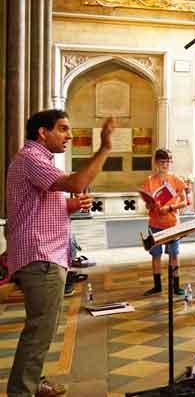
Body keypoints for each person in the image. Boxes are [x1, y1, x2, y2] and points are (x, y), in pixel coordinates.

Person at [5, 112, 115, 397]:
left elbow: (36, 208)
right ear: (43, 132)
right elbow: (76, 183)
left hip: (42, 253)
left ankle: (33, 381)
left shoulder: (37, 160)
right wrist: (103, 148)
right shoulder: (32, 158)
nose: (68, 135)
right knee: (40, 329)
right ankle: (22, 391)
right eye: (63, 129)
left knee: (43, 327)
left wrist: (70, 207)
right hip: (40, 255)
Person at [141, 149, 189, 296]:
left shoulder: (176, 180)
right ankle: (157, 286)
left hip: (172, 223)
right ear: (156, 163)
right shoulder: (150, 180)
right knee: (156, 255)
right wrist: (150, 204)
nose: (165, 164)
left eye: (168, 161)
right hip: (155, 223)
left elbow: (185, 201)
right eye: (162, 162)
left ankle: (176, 285)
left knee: (174, 255)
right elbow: (147, 204)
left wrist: (170, 207)